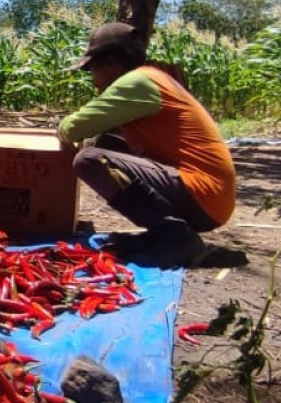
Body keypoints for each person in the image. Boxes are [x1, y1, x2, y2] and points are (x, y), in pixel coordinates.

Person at [57, 22, 236, 269]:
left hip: (203, 196)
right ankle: (165, 233)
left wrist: (62, 127)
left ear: (110, 63)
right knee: (105, 143)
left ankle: (177, 237)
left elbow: (72, 129)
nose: (94, 82)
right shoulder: (154, 78)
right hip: (208, 197)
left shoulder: (137, 83)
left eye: (92, 70)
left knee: (88, 160)